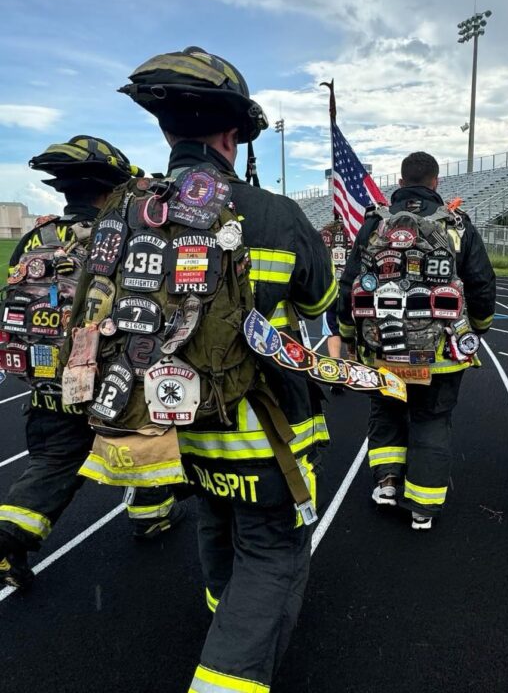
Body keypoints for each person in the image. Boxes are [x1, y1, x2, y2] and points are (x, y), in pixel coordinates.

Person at [117, 47, 337, 693]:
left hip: (173, 434)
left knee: (214, 521)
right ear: (232, 137)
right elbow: (320, 303)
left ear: (167, 134)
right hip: (265, 440)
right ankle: (233, 662)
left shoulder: (128, 214)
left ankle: (225, 613)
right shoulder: (276, 215)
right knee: (271, 553)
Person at [0, 136, 184, 590]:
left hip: (48, 381)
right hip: (115, 379)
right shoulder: (124, 234)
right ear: (112, 189)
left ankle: (8, 542)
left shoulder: (37, 238)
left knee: (52, 463)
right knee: (146, 438)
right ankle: (151, 516)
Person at [338, 151, 496, 530]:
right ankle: (423, 507)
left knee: (386, 412)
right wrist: (478, 328)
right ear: (435, 182)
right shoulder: (458, 225)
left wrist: (347, 335)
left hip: (381, 349)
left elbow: (349, 284)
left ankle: (387, 483)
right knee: (432, 419)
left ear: (400, 181)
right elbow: (481, 283)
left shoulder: (375, 223)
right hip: (440, 354)